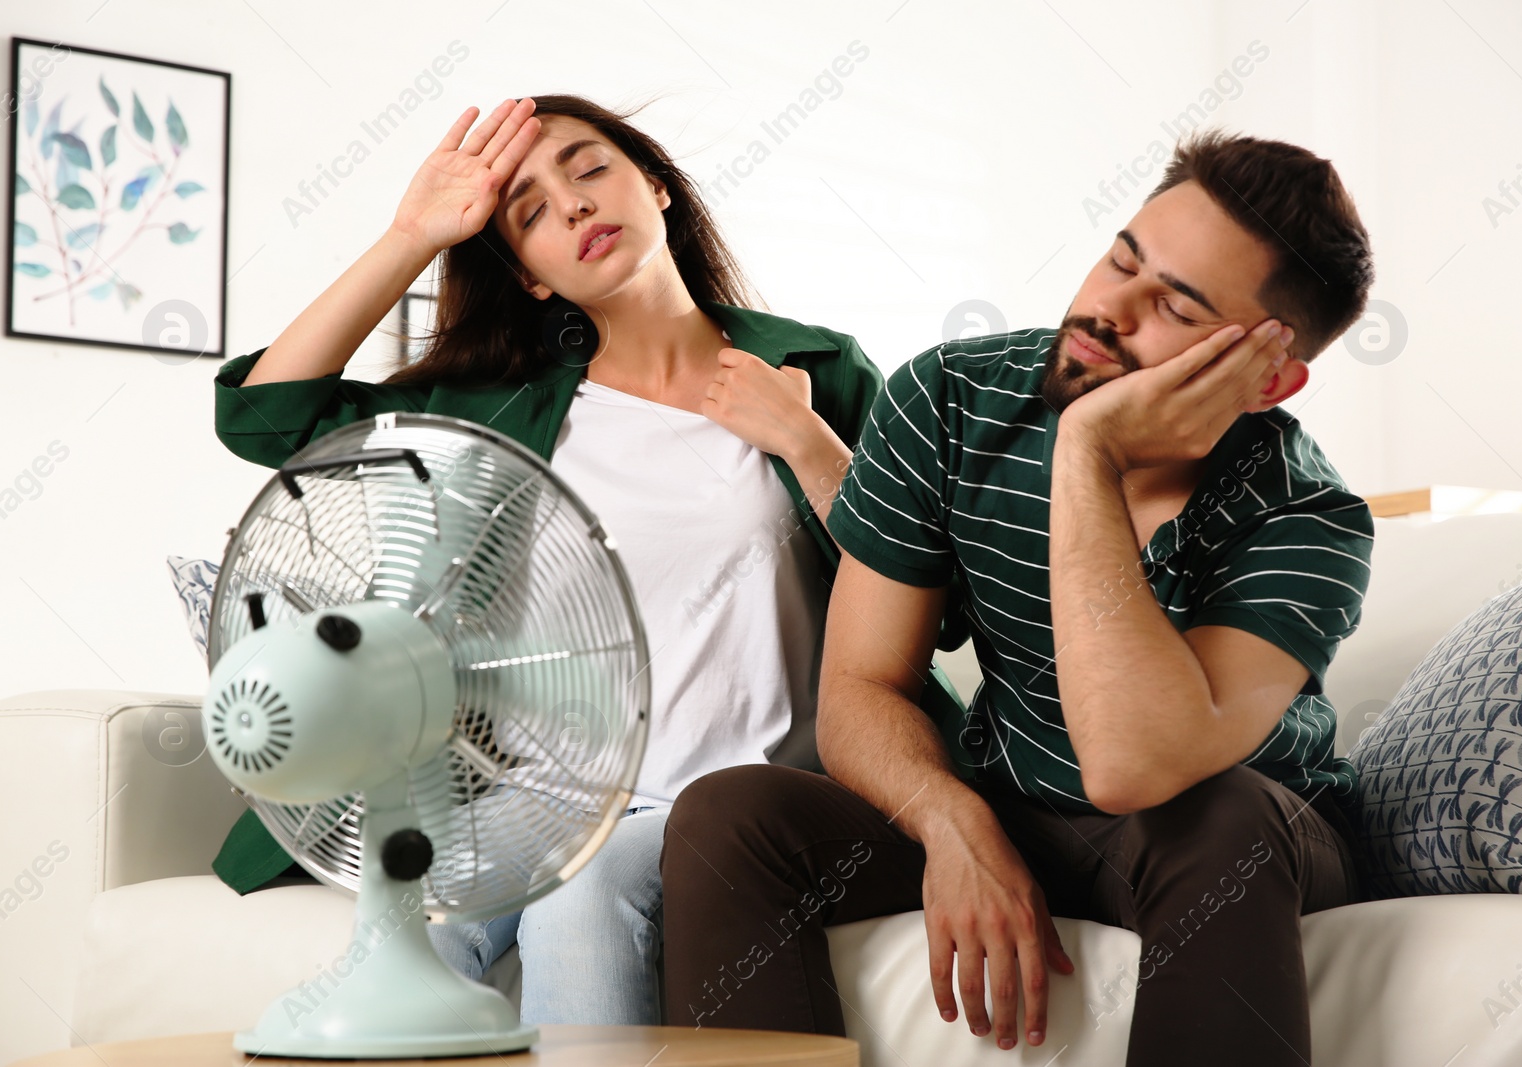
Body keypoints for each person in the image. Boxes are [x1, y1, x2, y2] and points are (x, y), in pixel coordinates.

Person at [207, 94, 965, 1026]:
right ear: (529, 276)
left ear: (656, 186)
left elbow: (943, 603)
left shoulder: (814, 370)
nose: (571, 205)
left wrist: (810, 447)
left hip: (729, 806)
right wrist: (412, 234)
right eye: (528, 211)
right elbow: (264, 417)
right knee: (411, 938)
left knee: (582, 892)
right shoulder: (500, 409)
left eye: (588, 167)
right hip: (533, 803)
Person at [659, 131, 1376, 1066]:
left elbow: (1131, 768)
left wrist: (1088, 450)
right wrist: (950, 818)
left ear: (1268, 377)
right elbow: (863, 687)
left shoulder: (1307, 517)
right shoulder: (949, 399)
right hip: (1017, 802)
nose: (1106, 307)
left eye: (1174, 305)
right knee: (732, 816)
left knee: (1222, 818)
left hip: (1219, 833)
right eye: (1122, 257)